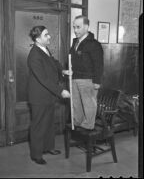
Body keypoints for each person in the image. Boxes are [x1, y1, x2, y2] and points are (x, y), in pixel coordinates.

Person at [27, 25, 70, 165]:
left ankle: (48, 147)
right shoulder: (34, 55)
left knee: (49, 124)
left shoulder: (44, 49)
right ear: (38, 39)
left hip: (49, 96)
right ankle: (36, 154)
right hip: (39, 97)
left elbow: (54, 62)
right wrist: (60, 91)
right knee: (38, 126)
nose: (49, 36)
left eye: (48, 34)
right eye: (46, 35)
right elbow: (43, 79)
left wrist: (62, 71)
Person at [67, 15, 104, 130]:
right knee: (76, 103)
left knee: (88, 104)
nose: (75, 30)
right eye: (74, 27)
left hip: (88, 80)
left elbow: (99, 64)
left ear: (86, 27)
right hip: (74, 78)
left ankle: (89, 124)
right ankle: (78, 121)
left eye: (78, 27)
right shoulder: (75, 42)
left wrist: (97, 82)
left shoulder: (94, 44)